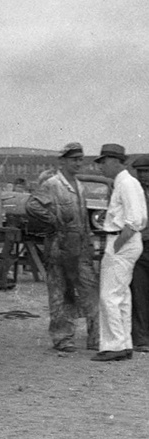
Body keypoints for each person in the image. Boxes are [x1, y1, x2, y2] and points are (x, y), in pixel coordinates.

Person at [26, 142, 99, 352]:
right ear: (63, 161)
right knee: (61, 291)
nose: (78, 163)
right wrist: (54, 219)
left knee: (90, 290)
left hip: (81, 246)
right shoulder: (52, 184)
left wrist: (89, 241)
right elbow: (32, 205)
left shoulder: (80, 186)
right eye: (74, 159)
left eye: (80, 159)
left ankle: (95, 337)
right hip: (60, 245)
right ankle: (62, 338)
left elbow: (84, 219)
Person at [91, 144, 147, 361]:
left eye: (104, 162)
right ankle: (123, 343)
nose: (101, 167)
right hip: (125, 241)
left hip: (122, 240)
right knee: (121, 295)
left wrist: (117, 245)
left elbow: (134, 220)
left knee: (110, 295)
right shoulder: (125, 183)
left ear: (116, 161)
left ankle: (114, 345)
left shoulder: (126, 183)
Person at [130, 155, 149, 354]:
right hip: (140, 248)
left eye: (147, 171)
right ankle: (141, 338)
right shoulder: (134, 192)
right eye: (140, 172)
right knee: (139, 293)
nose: (144, 176)